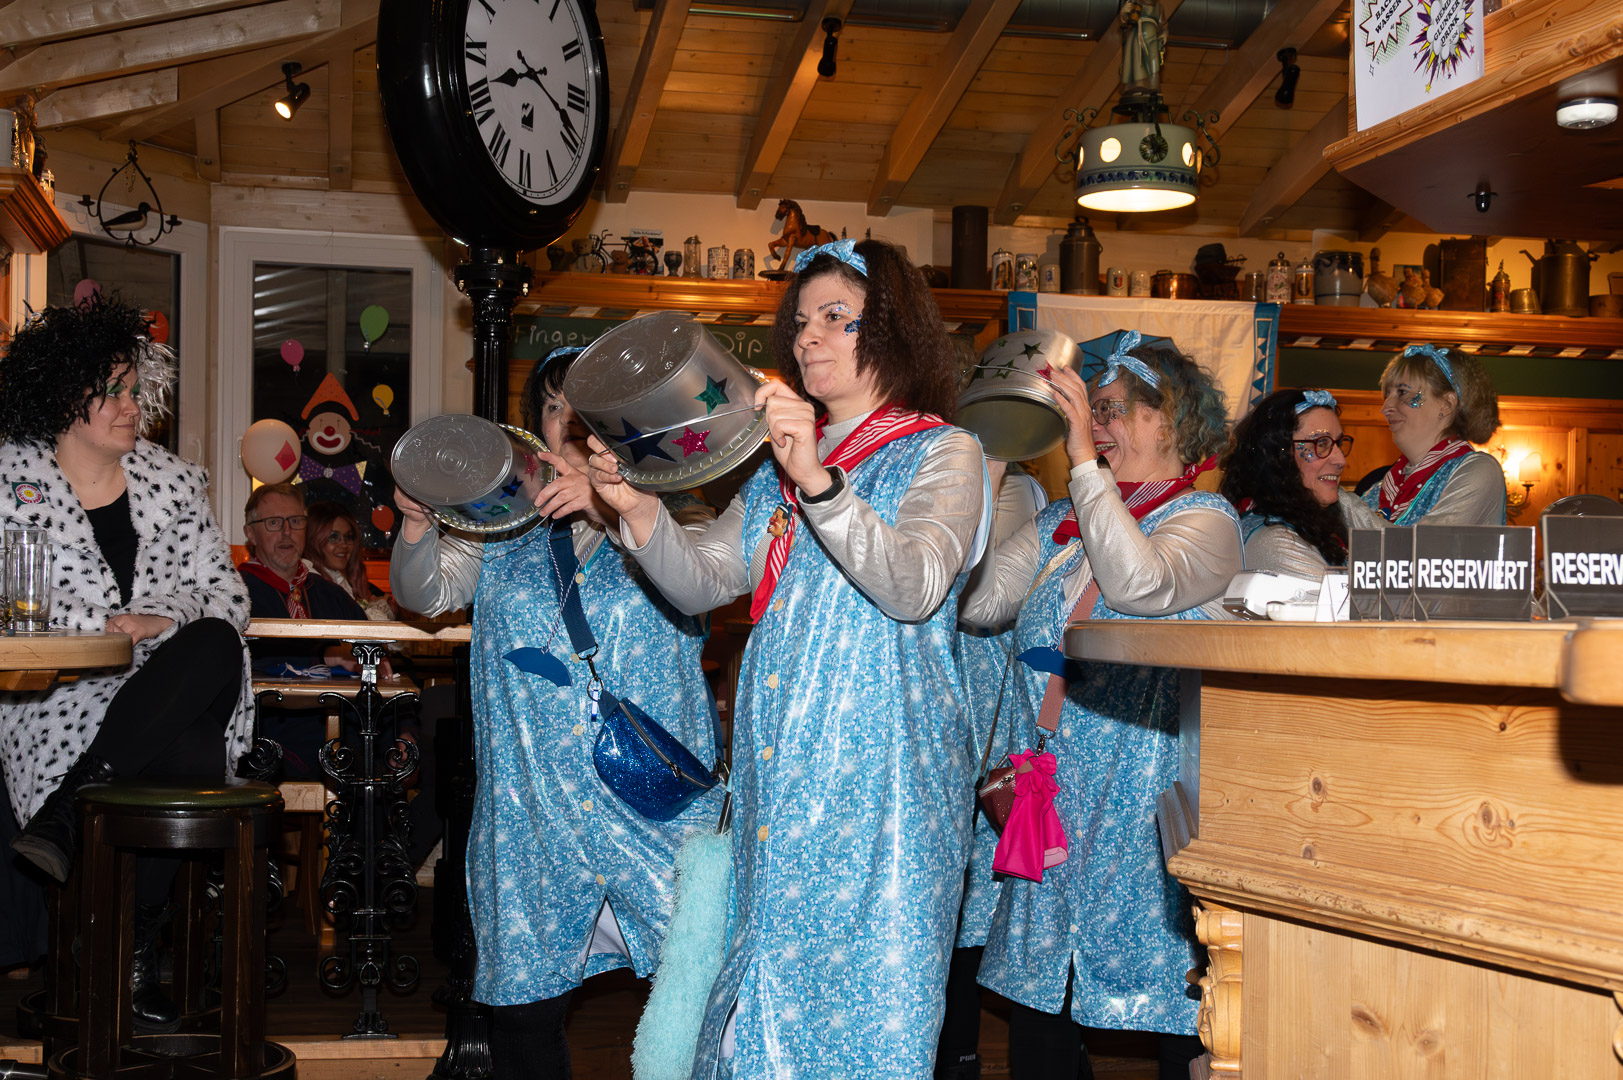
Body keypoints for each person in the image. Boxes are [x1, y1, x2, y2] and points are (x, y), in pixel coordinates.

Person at [587, 238, 989, 1078]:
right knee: (760, 1004)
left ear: (894, 329)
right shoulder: (776, 466)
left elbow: (914, 585)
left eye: (838, 318)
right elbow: (703, 580)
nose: (809, 337)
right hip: (778, 775)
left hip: (881, 786)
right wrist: (636, 508)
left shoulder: (943, 451)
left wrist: (819, 480)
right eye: (801, 321)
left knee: (868, 1006)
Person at [390, 346, 721, 1079]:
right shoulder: (499, 527)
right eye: (552, 407)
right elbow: (424, 595)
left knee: (699, 997)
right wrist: (416, 528)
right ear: (533, 427)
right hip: (532, 810)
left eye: (585, 409)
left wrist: (614, 503)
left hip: (653, 809)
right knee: (524, 1011)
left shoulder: (677, 514)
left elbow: (702, 583)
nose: (567, 423)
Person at [960, 330, 1241, 1080]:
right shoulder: (1061, 524)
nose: (1096, 426)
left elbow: (1135, 584)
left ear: (1168, 419)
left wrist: (1084, 459)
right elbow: (978, 602)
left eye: (1111, 410)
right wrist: (991, 461)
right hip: (1047, 797)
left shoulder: (1206, 522)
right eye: (1092, 413)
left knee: (1175, 1002)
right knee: (1038, 1005)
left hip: (1143, 810)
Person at [0, 294, 251, 1032]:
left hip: (175, 678)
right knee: (190, 752)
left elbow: (228, 596)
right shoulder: (8, 480)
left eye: (135, 390)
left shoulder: (176, 482)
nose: (132, 406)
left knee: (212, 639)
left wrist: (159, 617)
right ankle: (129, 951)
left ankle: (74, 812)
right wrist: (108, 632)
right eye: (112, 391)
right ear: (61, 395)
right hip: (57, 695)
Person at [938, 462, 1047, 1080]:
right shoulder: (960, 470)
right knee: (962, 900)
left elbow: (982, 600)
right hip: (957, 710)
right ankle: (958, 1055)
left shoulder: (1018, 491)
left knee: (979, 898)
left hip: (988, 725)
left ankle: (961, 1055)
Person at [1221, 388, 1378, 579]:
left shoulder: (1324, 512)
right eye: (1321, 444)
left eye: (1338, 443)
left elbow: (1400, 547)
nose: (1341, 460)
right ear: (1278, 454)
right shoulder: (1276, 543)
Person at [1361, 344, 1504, 526]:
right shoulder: (1380, 489)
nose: (1386, 408)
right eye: (1387, 395)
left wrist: (1346, 504)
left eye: (1403, 392)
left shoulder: (1478, 471)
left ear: (1446, 404)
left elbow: (1426, 540)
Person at [304, 500, 395, 621]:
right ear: (313, 540)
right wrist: (379, 608)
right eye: (333, 537)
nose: (344, 545)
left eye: (348, 537)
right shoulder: (309, 582)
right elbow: (349, 627)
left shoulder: (345, 579)